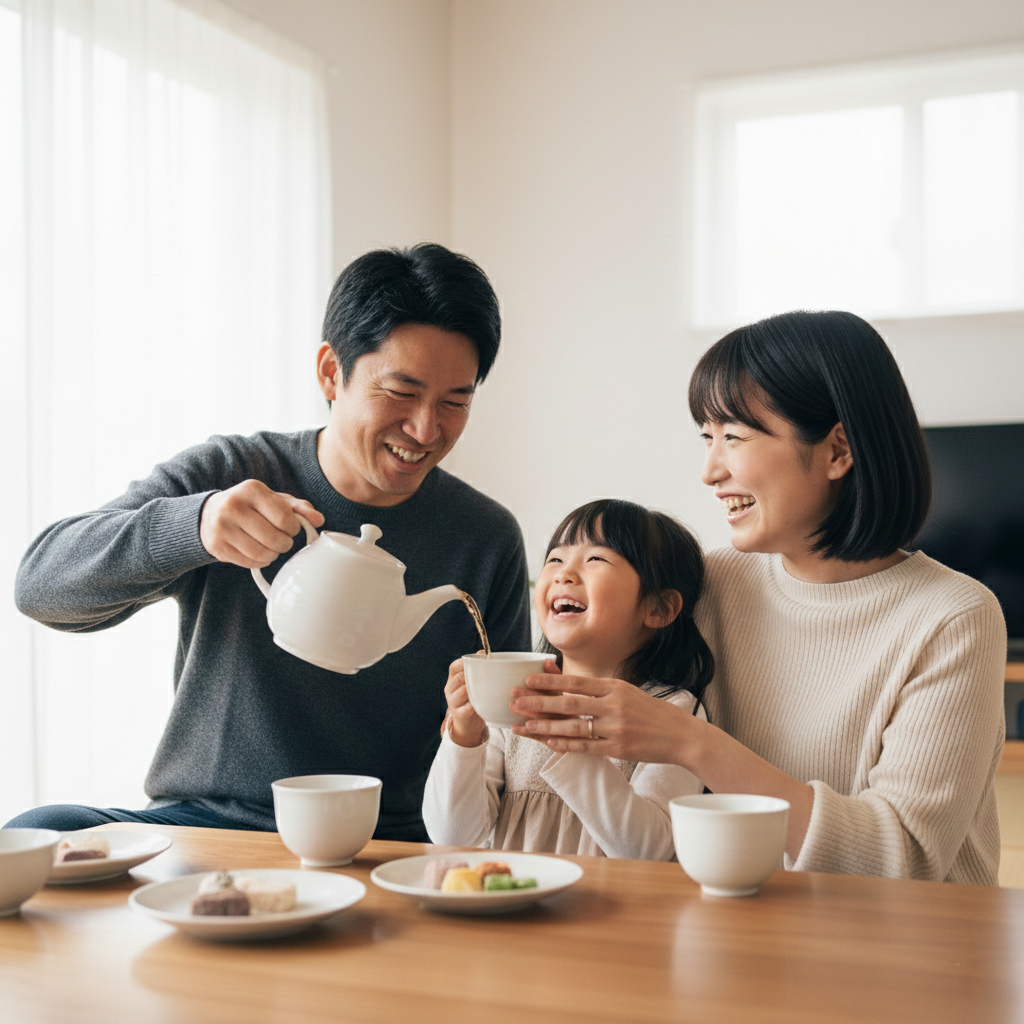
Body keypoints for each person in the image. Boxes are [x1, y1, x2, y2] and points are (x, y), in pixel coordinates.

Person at [9, 243, 532, 841]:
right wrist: (197, 527)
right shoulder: (234, 475)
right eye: (401, 393)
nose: (424, 429)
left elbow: (503, 752)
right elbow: (40, 586)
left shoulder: (485, 537)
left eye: (455, 402)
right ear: (331, 372)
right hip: (208, 821)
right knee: (39, 831)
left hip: (391, 838)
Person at [508, 310, 1006, 884]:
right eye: (707, 437)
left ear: (838, 451)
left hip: (907, 951)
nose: (710, 470)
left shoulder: (952, 617)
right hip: (744, 933)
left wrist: (693, 743)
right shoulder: (710, 585)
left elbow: (902, 860)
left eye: (734, 437)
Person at [422, 498, 712, 859]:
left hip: (614, 911)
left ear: (658, 608)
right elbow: (452, 837)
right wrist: (464, 737)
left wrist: (568, 738)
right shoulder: (511, 700)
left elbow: (647, 850)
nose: (563, 573)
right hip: (514, 906)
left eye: (596, 560)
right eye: (555, 559)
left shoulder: (671, 710)